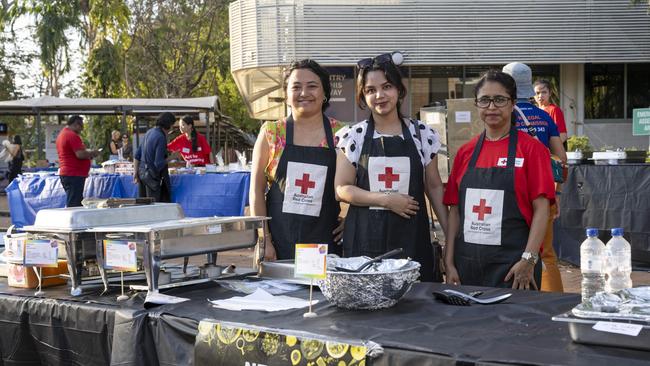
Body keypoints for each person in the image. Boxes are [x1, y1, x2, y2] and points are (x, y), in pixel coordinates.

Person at [334, 53, 448, 282]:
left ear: (399, 89)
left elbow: (434, 187)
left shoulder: (422, 134)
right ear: (362, 95)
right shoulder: (352, 136)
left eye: (387, 86)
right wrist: (386, 199)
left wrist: (451, 239)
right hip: (364, 243)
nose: (380, 95)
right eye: (370, 90)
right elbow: (342, 188)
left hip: (412, 240)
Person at [443, 70, 555, 290]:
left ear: (512, 103)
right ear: (477, 105)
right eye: (484, 100)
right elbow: (455, 211)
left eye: (500, 100)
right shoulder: (465, 152)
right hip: (467, 266)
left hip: (515, 269)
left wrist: (528, 260)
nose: (491, 107)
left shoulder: (533, 150)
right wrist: (448, 261)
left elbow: (542, 209)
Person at [250, 59, 344, 261]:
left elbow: (358, 184)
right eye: (296, 87)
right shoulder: (271, 133)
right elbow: (256, 190)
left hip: (326, 244)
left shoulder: (342, 134)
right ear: (286, 95)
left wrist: (352, 219)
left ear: (325, 93)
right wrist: (263, 239)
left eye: (312, 86)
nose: (304, 93)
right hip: (278, 243)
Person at [503, 62, 567, 292]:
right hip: (543, 192)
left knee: (513, 250)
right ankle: (554, 303)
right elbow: (561, 158)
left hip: (512, 194)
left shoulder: (503, 117)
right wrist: (556, 191)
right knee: (546, 254)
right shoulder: (544, 116)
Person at [56, 115, 100, 207]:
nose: (81, 130)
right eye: (81, 127)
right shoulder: (71, 135)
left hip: (69, 173)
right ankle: (72, 220)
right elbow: (80, 154)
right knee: (74, 203)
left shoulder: (63, 134)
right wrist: (92, 153)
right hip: (73, 174)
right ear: (76, 125)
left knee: (76, 200)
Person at [134, 112, 175, 202]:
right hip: (152, 178)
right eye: (172, 125)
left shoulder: (149, 132)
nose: (172, 128)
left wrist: (135, 173)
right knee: (154, 207)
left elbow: (137, 155)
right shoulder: (161, 137)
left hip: (142, 175)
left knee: (142, 206)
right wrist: (172, 157)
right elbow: (158, 164)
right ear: (169, 125)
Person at [534, 79, 568, 145]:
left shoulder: (554, 110)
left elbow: (563, 135)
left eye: (544, 92)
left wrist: (548, 149)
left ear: (550, 93)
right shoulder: (533, 111)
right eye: (537, 93)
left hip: (551, 152)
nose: (540, 96)